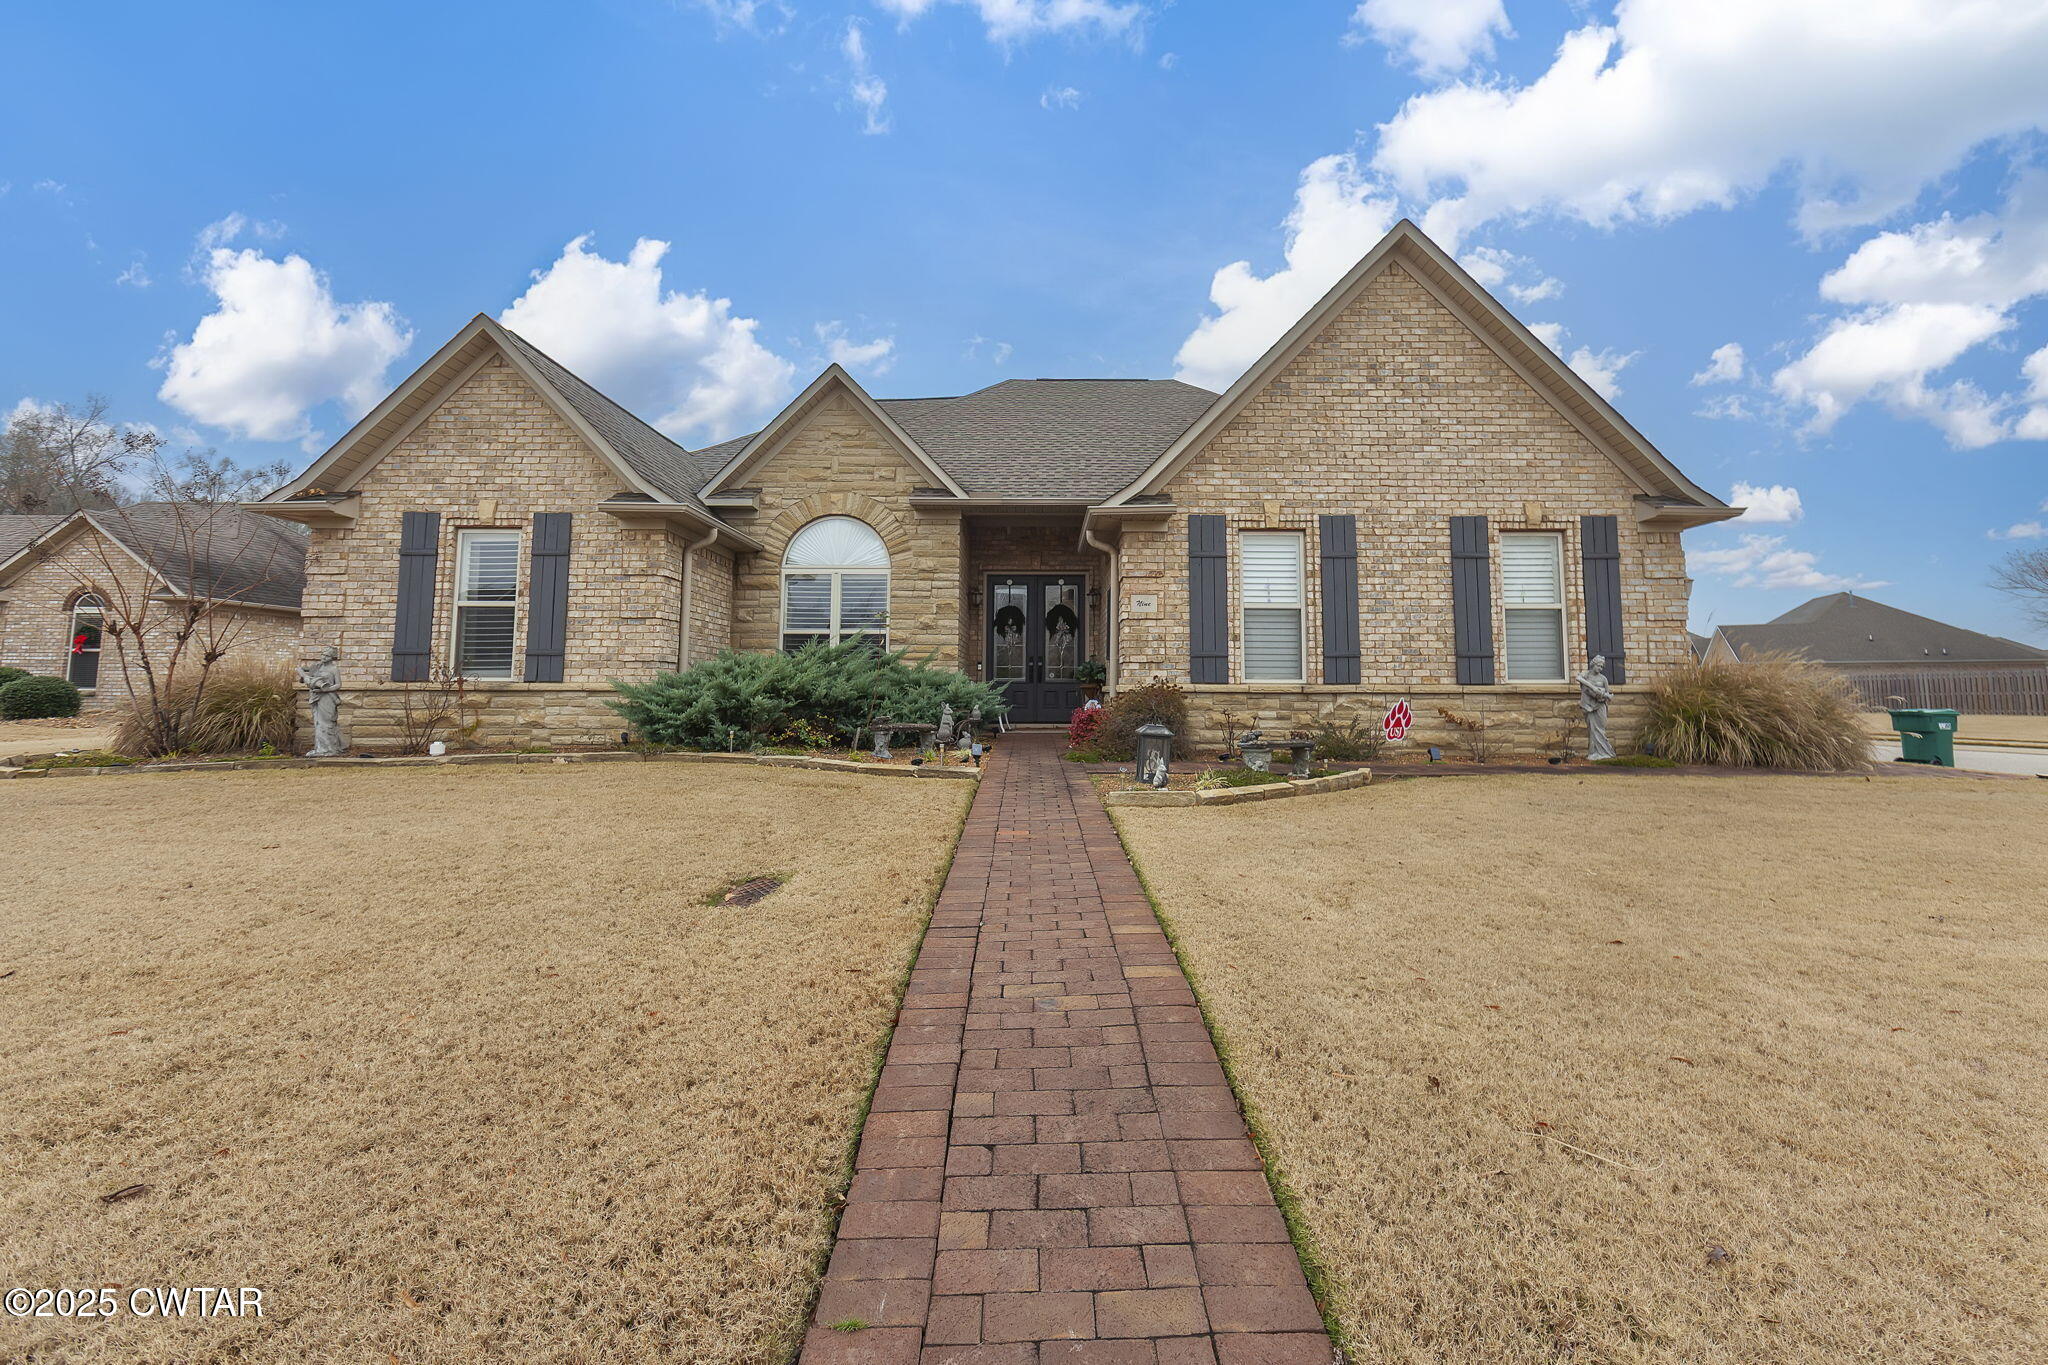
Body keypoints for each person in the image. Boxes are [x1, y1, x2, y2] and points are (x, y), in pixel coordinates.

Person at [1575, 653, 1614, 761]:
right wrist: (1592, 687)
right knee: (1592, 730)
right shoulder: (1586, 675)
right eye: (1598, 665)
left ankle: (1605, 752)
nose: (1600, 668)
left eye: (1602, 666)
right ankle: (1593, 753)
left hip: (1600, 706)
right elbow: (1578, 678)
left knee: (1600, 728)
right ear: (1593, 664)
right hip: (1589, 707)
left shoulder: (1603, 679)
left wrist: (1601, 695)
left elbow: (1607, 693)